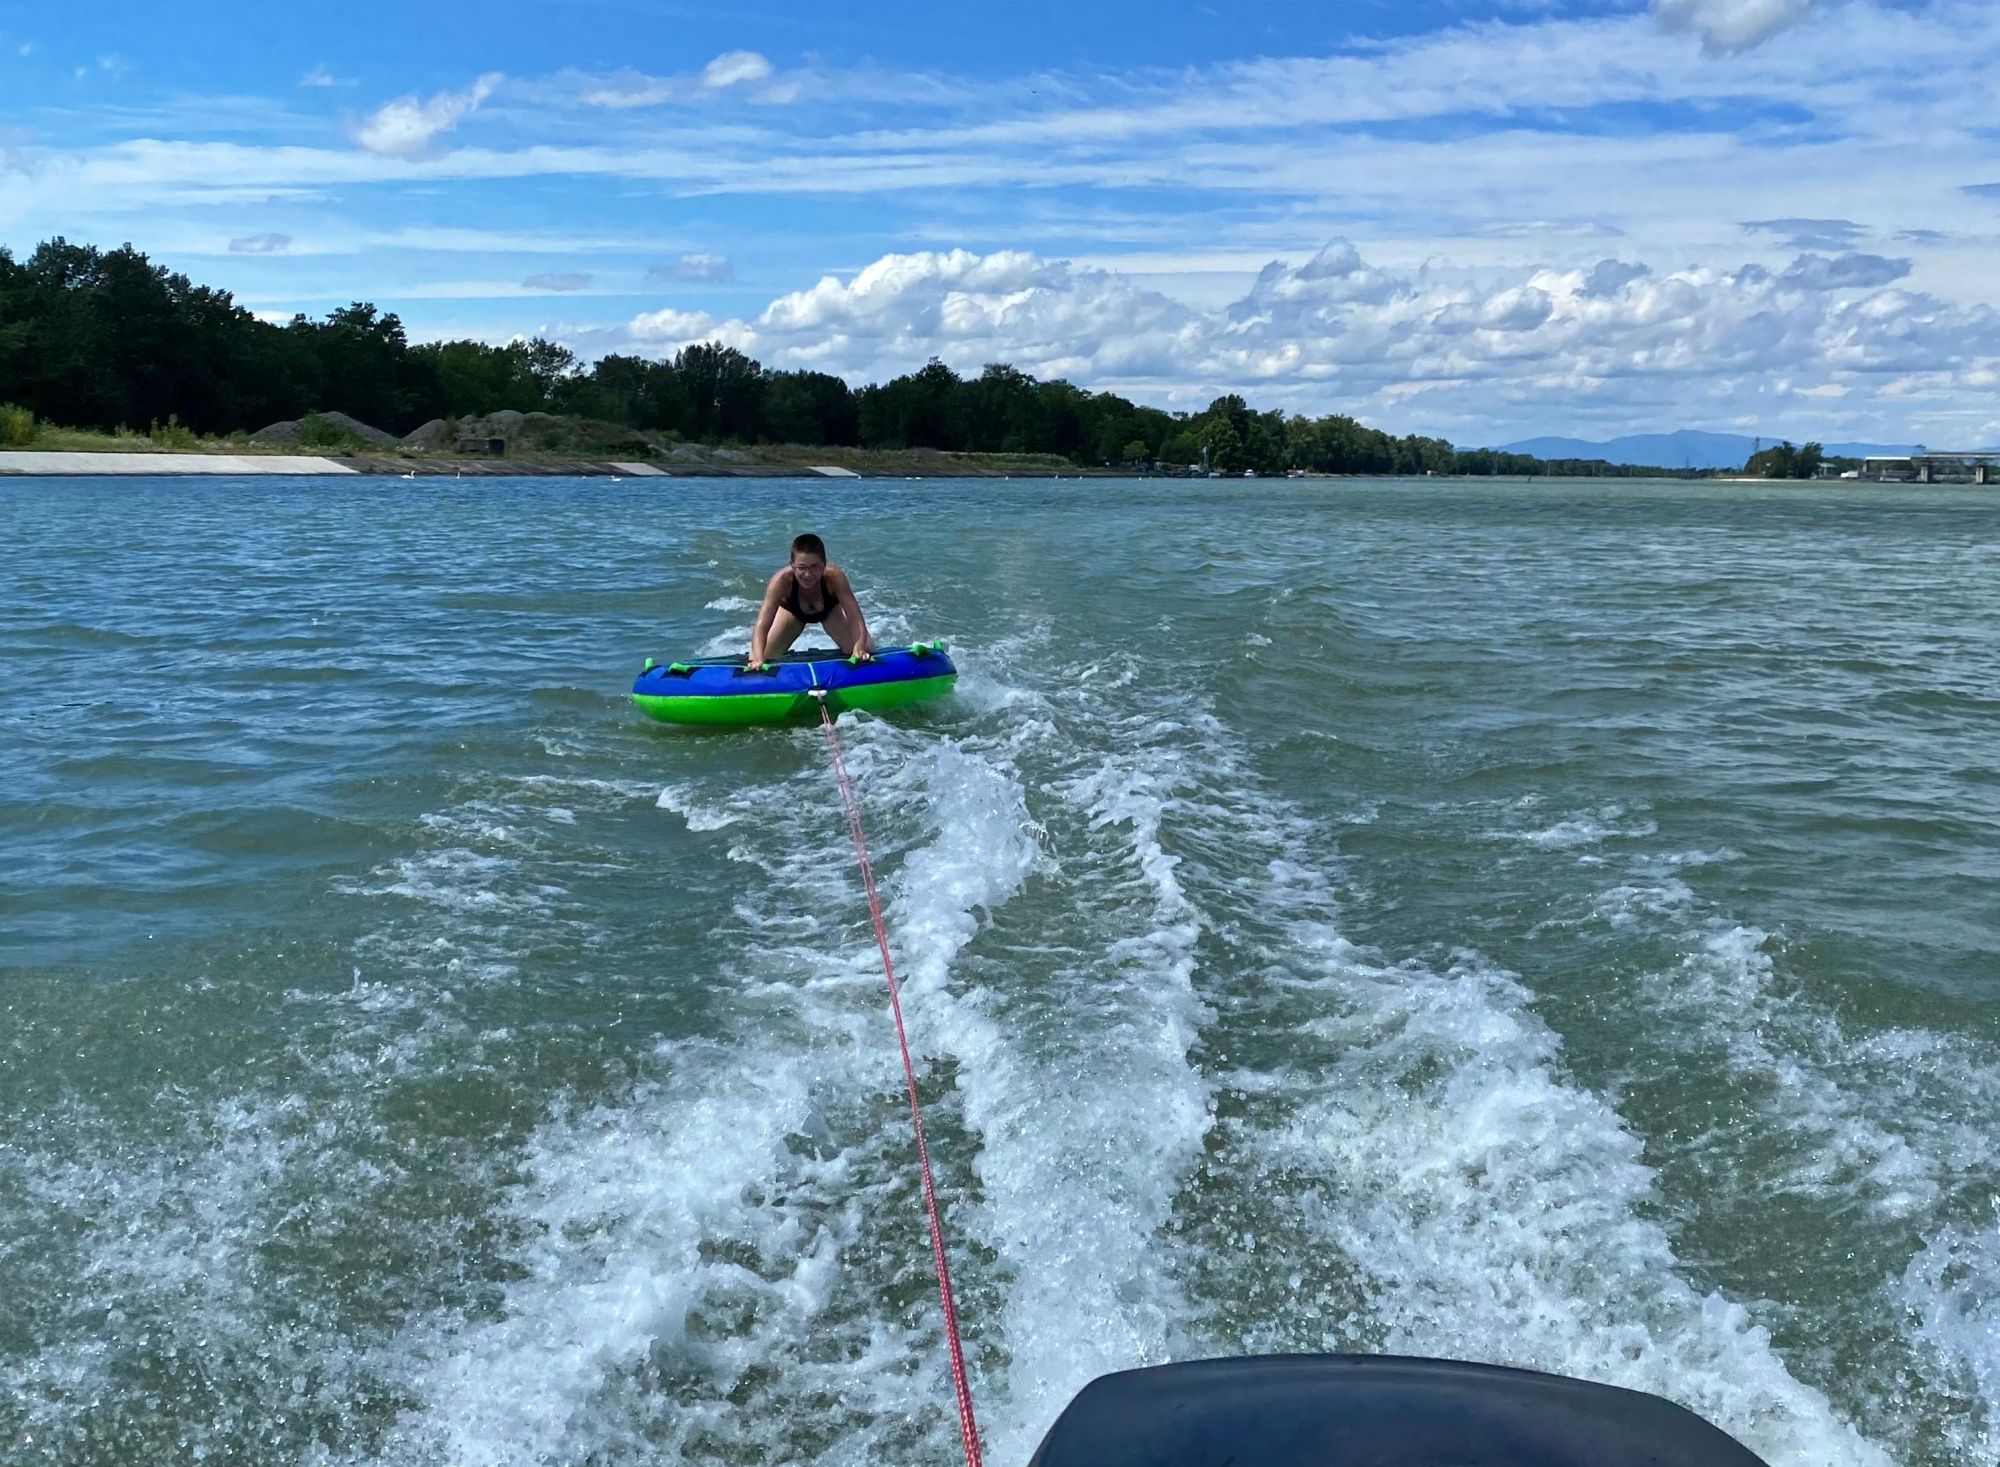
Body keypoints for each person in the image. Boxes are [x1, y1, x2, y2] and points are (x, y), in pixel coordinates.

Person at [747, 533, 875, 666]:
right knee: (763, 655)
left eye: (814, 567)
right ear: (792, 565)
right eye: (801, 568)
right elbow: (762, 624)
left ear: (824, 564)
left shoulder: (835, 577)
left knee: (867, 649)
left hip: (829, 613)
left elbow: (854, 616)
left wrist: (859, 648)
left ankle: (846, 646)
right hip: (792, 614)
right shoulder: (781, 581)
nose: (808, 575)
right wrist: (758, 658)